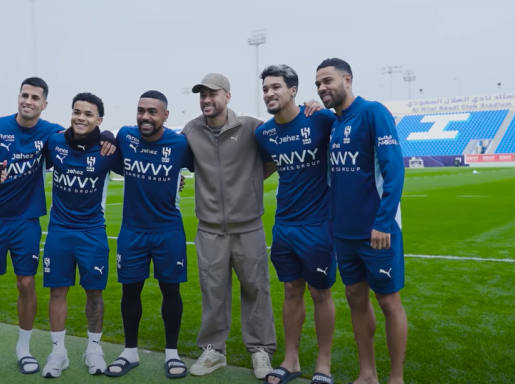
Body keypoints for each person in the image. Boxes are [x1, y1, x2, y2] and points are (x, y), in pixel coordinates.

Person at [0, 78, 115, 384]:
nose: (28, 101)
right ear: (19, 98)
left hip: (27, 221)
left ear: (44, 104)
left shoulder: (50, 133)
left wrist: (106, 135)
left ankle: (24, 350)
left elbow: (81, 134)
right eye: (24, 95)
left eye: (35, 97)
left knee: (27, 283)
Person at [182, 73, 323, 379]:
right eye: (202, 95)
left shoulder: (251, 127)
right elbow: (172, 160)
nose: (207, 100)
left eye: (213, 94)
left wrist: (311, 106)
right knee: (212, 292)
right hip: (209, 229)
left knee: (256, 290)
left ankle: (260, 350)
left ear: (227, 96)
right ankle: (214, 351)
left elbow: (275, 153)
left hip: (248, 226)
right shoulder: (190, 131)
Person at [315, 58, 407, 384]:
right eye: (318, 84)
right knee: (355, 298)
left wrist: (383, 223)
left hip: (378, 231)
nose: (322, 88)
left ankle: (396, 378)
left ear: (347, 80)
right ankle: (368, 373)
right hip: (343, 232)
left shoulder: (373, 112)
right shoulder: (334, 124)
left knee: (389, 302)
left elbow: (394, 171)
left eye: (327, 81)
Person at [254, 65, 337, 384]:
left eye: (276, 87)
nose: (269, 93)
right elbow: (263, 169)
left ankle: (323, 364)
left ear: (293, 90)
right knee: (290, 290)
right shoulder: (264, 134)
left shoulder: (320, 119)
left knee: (320, 293)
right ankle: (291, 360)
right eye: (265, 89)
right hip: (284, 224)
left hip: (318, 223)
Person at [103, 90, 193, 379]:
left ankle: (172, 353)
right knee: (130, 290)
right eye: (141, 110)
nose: (145, 116)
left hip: (168, 230)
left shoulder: (180, 144)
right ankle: (130, 352)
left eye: (152, 111)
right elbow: (102, 141)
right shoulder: (126, 136)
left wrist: (177, 179)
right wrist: (105, 133)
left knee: (171, 290)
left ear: (165, 115)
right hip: (132, 230)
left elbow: (207, 164)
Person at [40, 92, 118, 378]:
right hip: (59, 230)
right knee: (57, 291)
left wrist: (176, 181)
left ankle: (94, 349)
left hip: (92, 231)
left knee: (94, 292)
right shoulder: (54, 141)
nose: (80, 118)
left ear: (99, 120)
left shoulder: (109, 149)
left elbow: (138, 169)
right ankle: (58, 352)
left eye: (88, 114)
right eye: (76, 112)